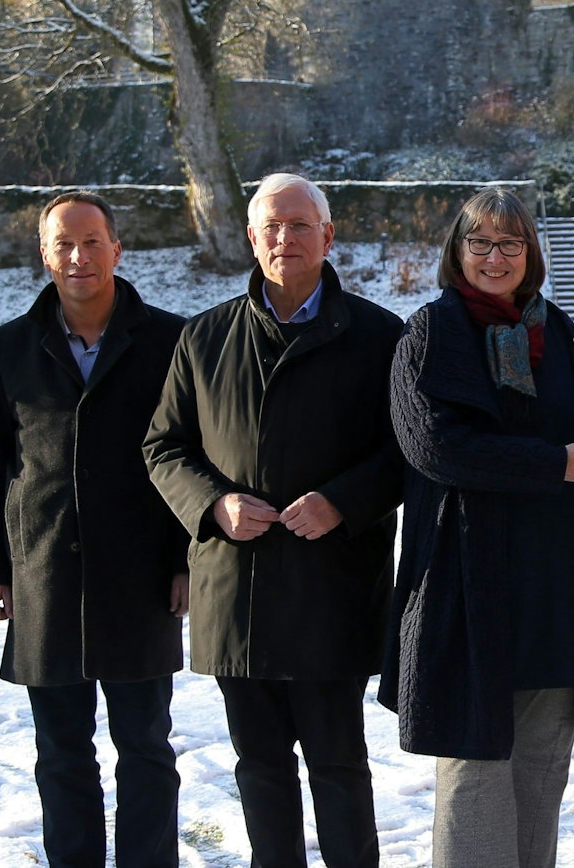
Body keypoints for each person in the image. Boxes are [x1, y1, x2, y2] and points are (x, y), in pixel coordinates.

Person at [144, 173, 405, 868]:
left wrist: (344, 501)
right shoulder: (204, 337)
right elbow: (164, 446)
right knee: (258, 766)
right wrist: (213, 503)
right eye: (271, 226)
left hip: (335, 587)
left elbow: (409, 450)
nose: (284, 238)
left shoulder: (381, 336)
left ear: (328, 234)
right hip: (239, 590)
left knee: (338, 763)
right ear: (252, 238)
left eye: (299, 224)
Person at [381, 188, 574, 868]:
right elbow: (437, 446)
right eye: (481, 242)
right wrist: (554, 464)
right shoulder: (429, 333)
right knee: (475, 775)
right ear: (457, 251)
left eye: (511, 243)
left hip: (553, 588)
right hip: (470, 589)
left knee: (541, 771)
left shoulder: (555, 329)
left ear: (531, 254)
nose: (495, 257)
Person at [0, 191, 189, 867]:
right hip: (43, 577)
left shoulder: (171, 340)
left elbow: (194, 455)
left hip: (140, 578)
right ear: (44, 254)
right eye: (64, 243)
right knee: (60, 752)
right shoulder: (7, 348)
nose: (78, 256)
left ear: (117, 250)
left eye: (92, 241)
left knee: (145, 744)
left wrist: (185, 559)